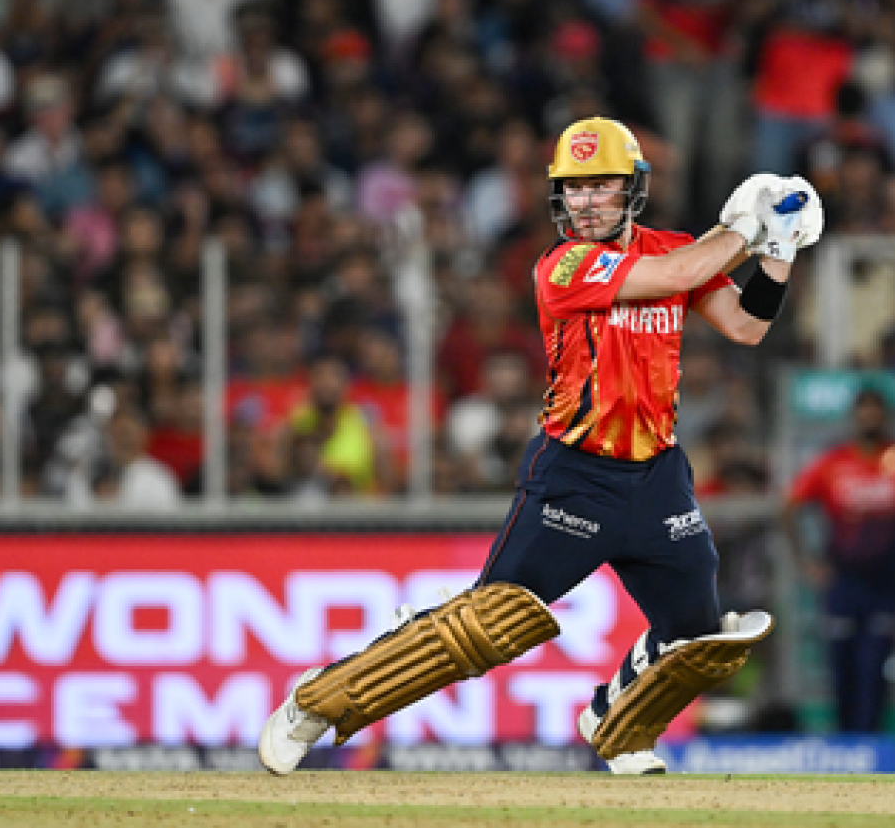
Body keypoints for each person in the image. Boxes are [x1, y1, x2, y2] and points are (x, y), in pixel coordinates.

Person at [259, 116, 824, 776]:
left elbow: (746, 326)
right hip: (575, 478)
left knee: (697, 638)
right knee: (488, 626)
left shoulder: (674, 249)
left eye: (600, 185)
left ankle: (617, 721)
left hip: (658, 479)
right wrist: (743, 229)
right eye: (573, 187)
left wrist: (780, 247)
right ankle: (317, 702)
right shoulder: (565, 265)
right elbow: (676, 273)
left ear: (632, 188)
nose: (584, 201)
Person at [784, 387, 895, 733]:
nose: (870, 418)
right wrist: (805, 561)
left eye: (876, 411)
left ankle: (870, 740)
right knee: (842, 664)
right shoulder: (834, 463)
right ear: (855, 417)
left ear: (885, 417)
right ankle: (846, 743)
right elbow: (790, 505)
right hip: (843, 580)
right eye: (864, 411)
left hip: (886, 581)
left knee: (875, 664)